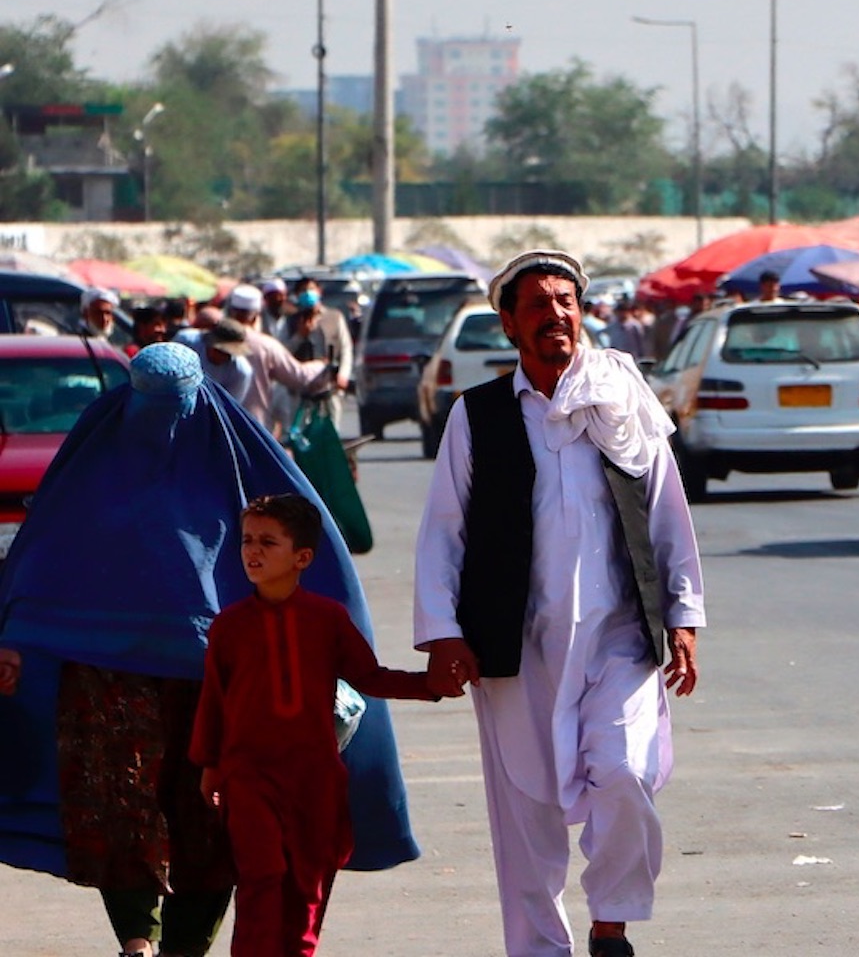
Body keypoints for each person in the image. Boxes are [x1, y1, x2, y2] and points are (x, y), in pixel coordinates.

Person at [0, 343, 419, 957]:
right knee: (120, 804)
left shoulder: (238, 466)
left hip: (217, 675)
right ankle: (138, 939)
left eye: (175, 404)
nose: (162, 421)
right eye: (150, 403)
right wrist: (13, 640)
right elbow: (44, 558)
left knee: (213, 821)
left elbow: (307, 557)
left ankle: (186, 946)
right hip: (107, 675)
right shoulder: (92, 467)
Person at [413, 250, 706, 957]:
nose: (556, 316)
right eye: (538, 305)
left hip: (622, 640)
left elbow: (667, 511)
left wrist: (684, 614)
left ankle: (612, 925)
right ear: (509, 323)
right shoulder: (476, 415)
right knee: (526, 815)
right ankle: (540, 949)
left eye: (566, 301)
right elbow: (444, 530)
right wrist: (443, 632)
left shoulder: (623, 400)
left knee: (628, 774)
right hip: (517, 646)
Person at [191, 494, 440, 957]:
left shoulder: (327, 620)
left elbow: (369, 677)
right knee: (260, 876)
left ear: (302, 557)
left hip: (315, 779)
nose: (253, 552)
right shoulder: (229, 627)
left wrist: (429, 684)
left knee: (308, 884)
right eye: (247, 541)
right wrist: (209, 765)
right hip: (249, 777)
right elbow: (215, 700)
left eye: (268, 542)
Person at [222, 284, 327, 435]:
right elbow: (298, 375)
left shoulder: (205, 340)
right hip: (252, 426)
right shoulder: (264, 345)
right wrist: (321, 365)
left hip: (216, 426)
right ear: (256, 315)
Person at [275, 280, 354, 429]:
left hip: (329, 388)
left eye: (310, 289)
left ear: (319, 292)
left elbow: (345, 348)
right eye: (303, 291)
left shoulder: (334, 317)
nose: (307, 294)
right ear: (297, 296)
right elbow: (282, 353)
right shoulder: (291, 321)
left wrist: (343, 375)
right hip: (300, 392)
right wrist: (299, 335)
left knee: (330, 434)